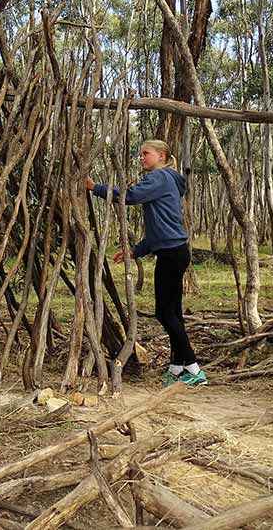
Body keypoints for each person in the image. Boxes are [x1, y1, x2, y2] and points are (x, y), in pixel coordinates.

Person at [87, 139, 206, 387]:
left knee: (164, 313)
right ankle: (177, 367)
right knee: (173, 313)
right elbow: (158, 230)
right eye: (140, 154)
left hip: (171, 253)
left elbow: (129, 196)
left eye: (146, 153)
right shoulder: (168, 179)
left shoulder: (159, 178)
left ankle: (194, 369)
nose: (141, 158)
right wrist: (135, 251)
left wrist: (94, 187)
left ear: (161, 156)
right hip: (174, 251)